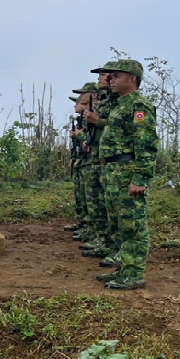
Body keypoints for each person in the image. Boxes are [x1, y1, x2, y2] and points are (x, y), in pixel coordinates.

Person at [94, 59, 158, 290]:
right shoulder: (120, 103)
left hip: (127, 171)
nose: (111, 80)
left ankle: (134, 273)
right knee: (119, 223)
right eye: (109, 77)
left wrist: (140, 178)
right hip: (113, 171)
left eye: (116, 77)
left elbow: (146, 144)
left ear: (132, 79)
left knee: (133, 225)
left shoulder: (138, 106)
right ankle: (125, 267)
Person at [81, 61, 122, 264]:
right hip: (101, 160)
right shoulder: (107, 101)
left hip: (115, 162)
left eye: (106, 76)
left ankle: (115, 247)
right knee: (100, 202)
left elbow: (124, 129)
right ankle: (106, 241)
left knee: (113, 209)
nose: (102, 79)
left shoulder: (126, 103)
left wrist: (98, 122)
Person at [68, 82, 98, 243]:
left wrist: (78, 136)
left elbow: (90, 141)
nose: (77, 102)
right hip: (84, 162)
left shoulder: (94, 116)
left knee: (94, 201)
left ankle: (95, 233)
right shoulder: (85, 119)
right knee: (85, 199)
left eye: (80, 98)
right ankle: (86, 226)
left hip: (93, 163)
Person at [65, 93, 89, 232]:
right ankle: (83, 224)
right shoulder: (81, 120)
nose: (75, 105)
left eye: (78, 102)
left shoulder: (88, 120)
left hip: (89, 162)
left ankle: (89, 228)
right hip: (81, 161)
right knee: (81, 196)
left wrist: (78, 135)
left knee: (90, 199)